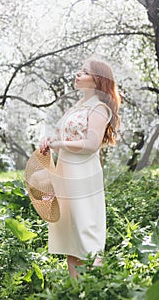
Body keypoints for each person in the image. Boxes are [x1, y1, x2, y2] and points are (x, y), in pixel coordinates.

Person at [40, 58, 121, 277]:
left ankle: (96, 288)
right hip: (65, 172)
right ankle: (76, 290)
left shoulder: (100, 108)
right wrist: (49, 141)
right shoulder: (78, 106)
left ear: (97, 80)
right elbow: (63, 135)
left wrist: (60, 144)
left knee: (85, 231)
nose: (78, 74)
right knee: (70, 234)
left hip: (83, 174)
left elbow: (91, 145)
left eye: (84, 72)